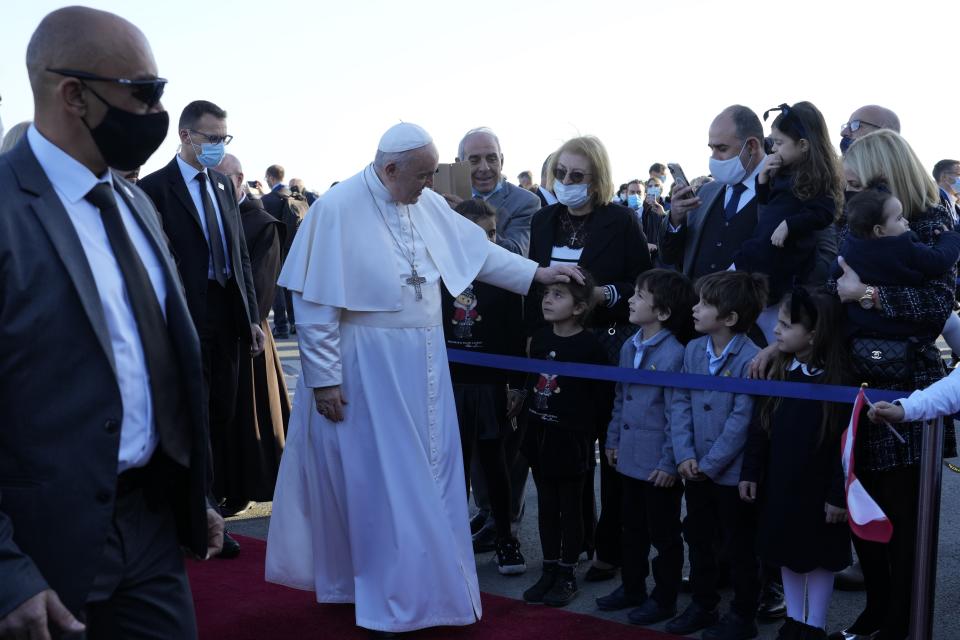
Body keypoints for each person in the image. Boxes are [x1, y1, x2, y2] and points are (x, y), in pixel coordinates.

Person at [264, 122, 582, 636]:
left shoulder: (425, 203)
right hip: (368, 366)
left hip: (426, 361)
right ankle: (389, 591)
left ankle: (426, 585)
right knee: (385, 481)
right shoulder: (337, 208)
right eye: (423, 175)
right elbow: (316, 303)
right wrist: (323, 379)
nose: (431, 185)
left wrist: (536, 274)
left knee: (429, 475)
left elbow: (474, 253)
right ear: (390, 169)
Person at [0, 7, 223, 639]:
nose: (156, 111)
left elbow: (155, 359)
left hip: (150, 529)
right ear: (74, 94)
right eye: (143, 92)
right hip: (40, 550)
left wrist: (191, 491)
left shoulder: (133, 203)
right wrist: (6, 572)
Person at [825, 129, 956, 640]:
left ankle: (903, 616)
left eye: (856, 176)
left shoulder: (931, 223)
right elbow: (831, 289)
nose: (849, 185)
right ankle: (878, 610)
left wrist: (869, 295)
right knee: (865, 506)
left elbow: (937, 309)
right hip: (855, 382)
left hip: (912, 388)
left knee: (905, 517)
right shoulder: (853, 217)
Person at [138, 100, 264, 559]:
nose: (219, 147)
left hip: (227, 317)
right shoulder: (155, 189)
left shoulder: (222, 187)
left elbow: (241, 257)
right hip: (185, 318)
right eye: (212, 139)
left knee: (220, 414)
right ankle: (201, 512)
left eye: (224, 139)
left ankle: (202, 506)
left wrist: (252, 315)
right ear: (186, 137)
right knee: (193, 416)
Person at [527, 135, 652, 583]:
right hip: (555, 350)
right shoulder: (544, 220)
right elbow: (533, 279)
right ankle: (572, 542)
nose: (566, 182)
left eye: (576, 175)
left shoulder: (620, 220)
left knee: (608, 446)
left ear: (597, 179)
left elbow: (641, 279)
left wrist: (606, 294)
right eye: (560, 173)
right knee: (564, 443)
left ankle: (610, 546)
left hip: (607, 347)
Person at [740, 289, 852, 639]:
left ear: (814, 334)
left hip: (818, 485)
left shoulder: (839, 379)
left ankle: (814, 625)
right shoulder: (780, 369)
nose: (777, 331)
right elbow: (761, 424)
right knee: (785, 549)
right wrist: (751, 470)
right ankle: (794, 619)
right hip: (781, 480)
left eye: (787, 325)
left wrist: (838, 494)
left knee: (818, 556)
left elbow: (846, 443)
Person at [667, 271, 767, 640]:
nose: (695, 309)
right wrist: (684, 454)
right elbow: (680, 401)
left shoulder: (751, 358)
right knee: (698, 537)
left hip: (728, 473)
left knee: (740, 546)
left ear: (730, 318)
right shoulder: (693, 350)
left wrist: (708, 466)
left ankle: (744, 613)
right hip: (694, 468)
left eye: (705, 304)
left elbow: (743, 419)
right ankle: (702, 603)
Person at [597, 269, 696, 626]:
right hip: (629, 458)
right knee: (631, 528)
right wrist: (612, 440)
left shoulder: (674, 354)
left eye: (639, 296)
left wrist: (670, 463)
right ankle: (632, 586)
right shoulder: (629, 344)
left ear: (664, 312)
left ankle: (664, 597)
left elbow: (677, 414)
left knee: (664, 535)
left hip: (658, 465)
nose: (630, 300)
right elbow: (620, 397)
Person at [440, 198, 526, 576]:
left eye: (492, 233)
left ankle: (506, 538)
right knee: (451, 468)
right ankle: (451, 541)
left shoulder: (504, 276)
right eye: (478, 234)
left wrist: (517, 385)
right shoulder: (437, 272)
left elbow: (515, 336)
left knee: (496, 467)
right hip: (450, 384)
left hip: (491, 384)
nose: (487, 241)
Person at [520, 273, 610, 607]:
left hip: (571, 439)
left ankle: (568, 571)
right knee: (546, 505)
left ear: (580, 307)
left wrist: (589, 433)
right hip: (539, 433)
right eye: (547, 293)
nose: (547, 300)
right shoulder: (541, 339)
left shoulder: (590, 347)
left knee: (570, 508)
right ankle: (549, 567)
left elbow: (600, 397)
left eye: (558, 295)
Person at [216, 153, 291, 512]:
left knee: (249, 417)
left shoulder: (262, 223)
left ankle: (244, 487)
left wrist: (244, 324)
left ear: (239, 179)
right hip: (216, 336)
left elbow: (261, 285)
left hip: (247, 336)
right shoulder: (214, 215)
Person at [734, 102, 843, 343]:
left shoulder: (817, 177)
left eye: (780, 143)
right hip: (760, 256)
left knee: (777, 336)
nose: (774, 148)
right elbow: (768, 206)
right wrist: (762, 181)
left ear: (803, 145)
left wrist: (790, 225)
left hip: (785, 268)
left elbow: (824, 212)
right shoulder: (783, 172)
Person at [660, 105, 767, 280]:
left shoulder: (783, 190)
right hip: (695, 304)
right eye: (711, 149)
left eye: (722, 149)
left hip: (753, 306)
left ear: (752, 146)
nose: (714, 158)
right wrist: (676, 219)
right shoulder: (706, 192)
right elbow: (671, 257)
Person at [836, 186, 960, 336]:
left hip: (862, 325)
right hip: (904, 328)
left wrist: (862, 291)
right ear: (879, 230)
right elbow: (939, 260)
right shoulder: (904, 246)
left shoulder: (849, 245)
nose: (906, 221)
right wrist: (951, 238)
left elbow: (834, 276)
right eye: (899, 218)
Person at [451, 127, 540, 256]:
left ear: (501, 161)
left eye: (491, 159)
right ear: (459, 164)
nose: (484, 168)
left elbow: (516, 253)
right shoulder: (445, 200)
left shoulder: (526, 202)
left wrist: (470, 218)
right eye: (474, 160)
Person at [261, 164, 299, 338]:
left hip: (275, 248)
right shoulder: (294, 195)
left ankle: (281, 326)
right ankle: (294, 322)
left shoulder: (268, 200)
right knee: (291, 287)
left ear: (270, 177)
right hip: (293, 247)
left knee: (277, 287)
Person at [625, 179, 664, 258]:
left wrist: (654, 247)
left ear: (645, 196)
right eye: (632, 192)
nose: (635, 195)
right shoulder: (618, 216)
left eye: (639, 193)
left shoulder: (655, 216)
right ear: (627, 194)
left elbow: (664, 241)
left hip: (649, 263)